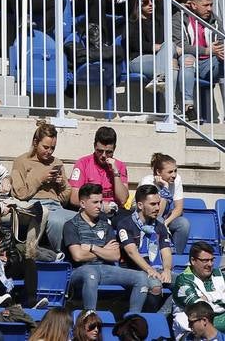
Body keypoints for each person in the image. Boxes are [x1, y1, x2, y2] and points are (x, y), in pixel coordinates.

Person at [63, 183, 151, 312]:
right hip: (81, 270)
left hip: (106, 269)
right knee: (90, 273)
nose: (99, 206)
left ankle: (133, 319)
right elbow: (78, 256)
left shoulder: (106, 225)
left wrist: (93, 247)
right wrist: (104, 249)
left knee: (142, 277)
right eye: (95, 202)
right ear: (82, 204)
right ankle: (90, 315)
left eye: (100, 202)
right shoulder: (71, 225)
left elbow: (115, 255)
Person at [171, 0, 224, 123]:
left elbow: (220, 42)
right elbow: (180, 46)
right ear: (193, 5)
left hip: (209, 64)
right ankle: (189, 108)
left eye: (211, 4)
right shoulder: (179, 18)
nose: (209, 9)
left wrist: (219, 52)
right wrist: (206, 50)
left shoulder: (214, 20)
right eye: (205, 5)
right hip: (188, 63)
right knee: (188, 59)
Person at [114, 183, 172, 308]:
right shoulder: (125, 224)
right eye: (153, 204)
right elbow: (131, 252)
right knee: (156, 286)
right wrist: (149, 270)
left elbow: (166, 252)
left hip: (158, 269)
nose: (157, 208)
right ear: (140, 205)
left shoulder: (160, 226)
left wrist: (167, 269)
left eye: (158, 203)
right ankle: (146, 319)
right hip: (134, 270)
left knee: (184, 283)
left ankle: (161, 318)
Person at [67, 125, 129, 213]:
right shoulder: (82, 163)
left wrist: (115, 173)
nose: (104, 155)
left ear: (114, 148)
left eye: (108, 152)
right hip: (90, 212)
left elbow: (122, 200)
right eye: (100, 151)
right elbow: (74, 198)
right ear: (94, 146)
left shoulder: (120, 166)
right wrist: (100, 206)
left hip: (114, 212)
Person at [172, 242, 225, 337]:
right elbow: (203, 311)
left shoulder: (220, 275)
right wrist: (221, 301)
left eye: (212, 260)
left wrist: (209, 300)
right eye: (205, 260)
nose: (210, 264)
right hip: (193, 330)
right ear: (193, 260)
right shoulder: (183, 280)